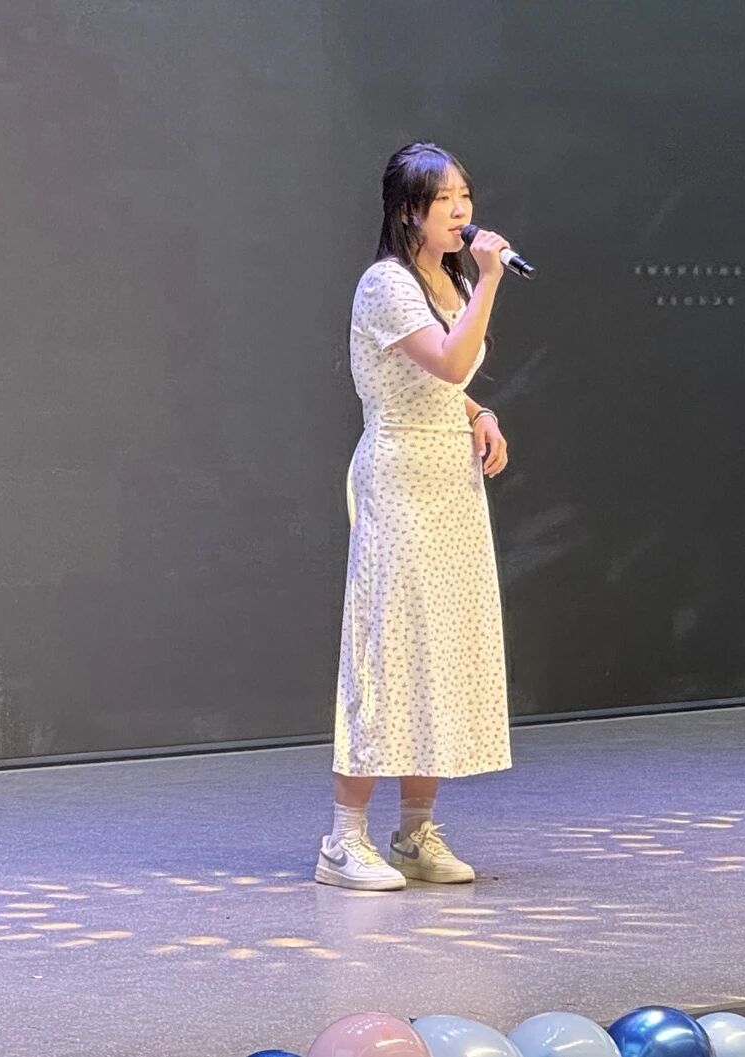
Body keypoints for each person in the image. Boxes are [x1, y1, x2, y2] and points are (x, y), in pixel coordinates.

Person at [316, 142, 514, 892]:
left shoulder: (447, 277)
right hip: (399, 476)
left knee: (440, 648)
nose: (462, 212)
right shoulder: (386, 284)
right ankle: (344, 840)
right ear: (409, 212)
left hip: (450, 480)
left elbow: (445, 384)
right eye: (445, 200)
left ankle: (415, 832)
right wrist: (490, 280)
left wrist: (478, 412)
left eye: (466, 195)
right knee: (387, 646)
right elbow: (448, 360)